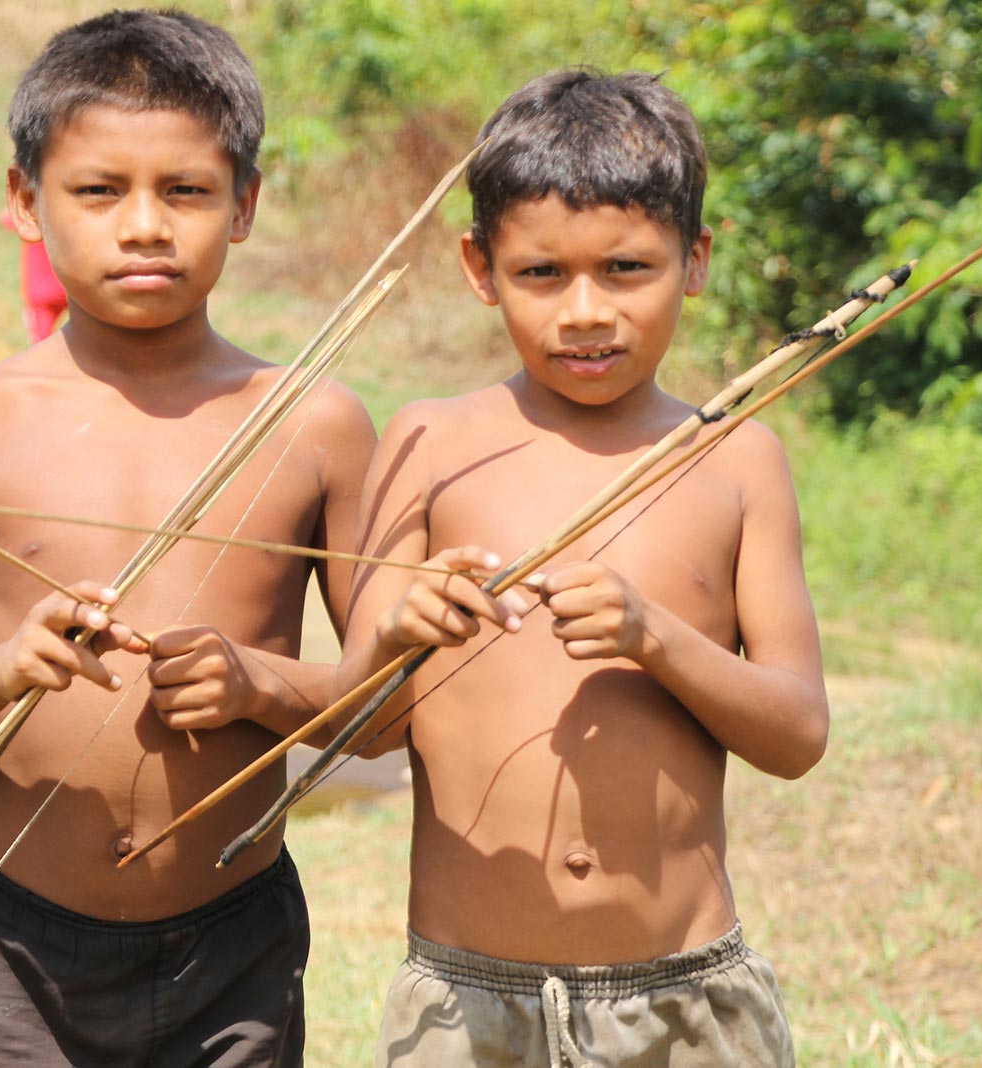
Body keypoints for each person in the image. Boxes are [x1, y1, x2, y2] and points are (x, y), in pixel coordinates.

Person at [0, 12, 375, 1067]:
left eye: (185, 191)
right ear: (23, 204)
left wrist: (258, 685)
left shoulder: (312, 423)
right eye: (98, 191)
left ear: (246, 205)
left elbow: (393, 713)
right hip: (2, 939)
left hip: (234, 941)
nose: (144, 226)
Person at [338, 69, 828, 1067]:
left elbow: (797, 733)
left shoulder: (732, 459)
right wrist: (398, 635)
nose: (585, 312)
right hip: (464, 1004)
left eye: (626, 269)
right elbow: (358, 730)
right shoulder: (430, 443)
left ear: (693, 261)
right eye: (541, 275)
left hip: (683, 995)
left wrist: (655, 637)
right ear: (480, 267)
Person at [8, 208, 70, 341]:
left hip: (40, 294)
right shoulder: (69, 219)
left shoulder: (31, 220)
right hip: (69, 289)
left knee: (39, 343)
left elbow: (7, 218)